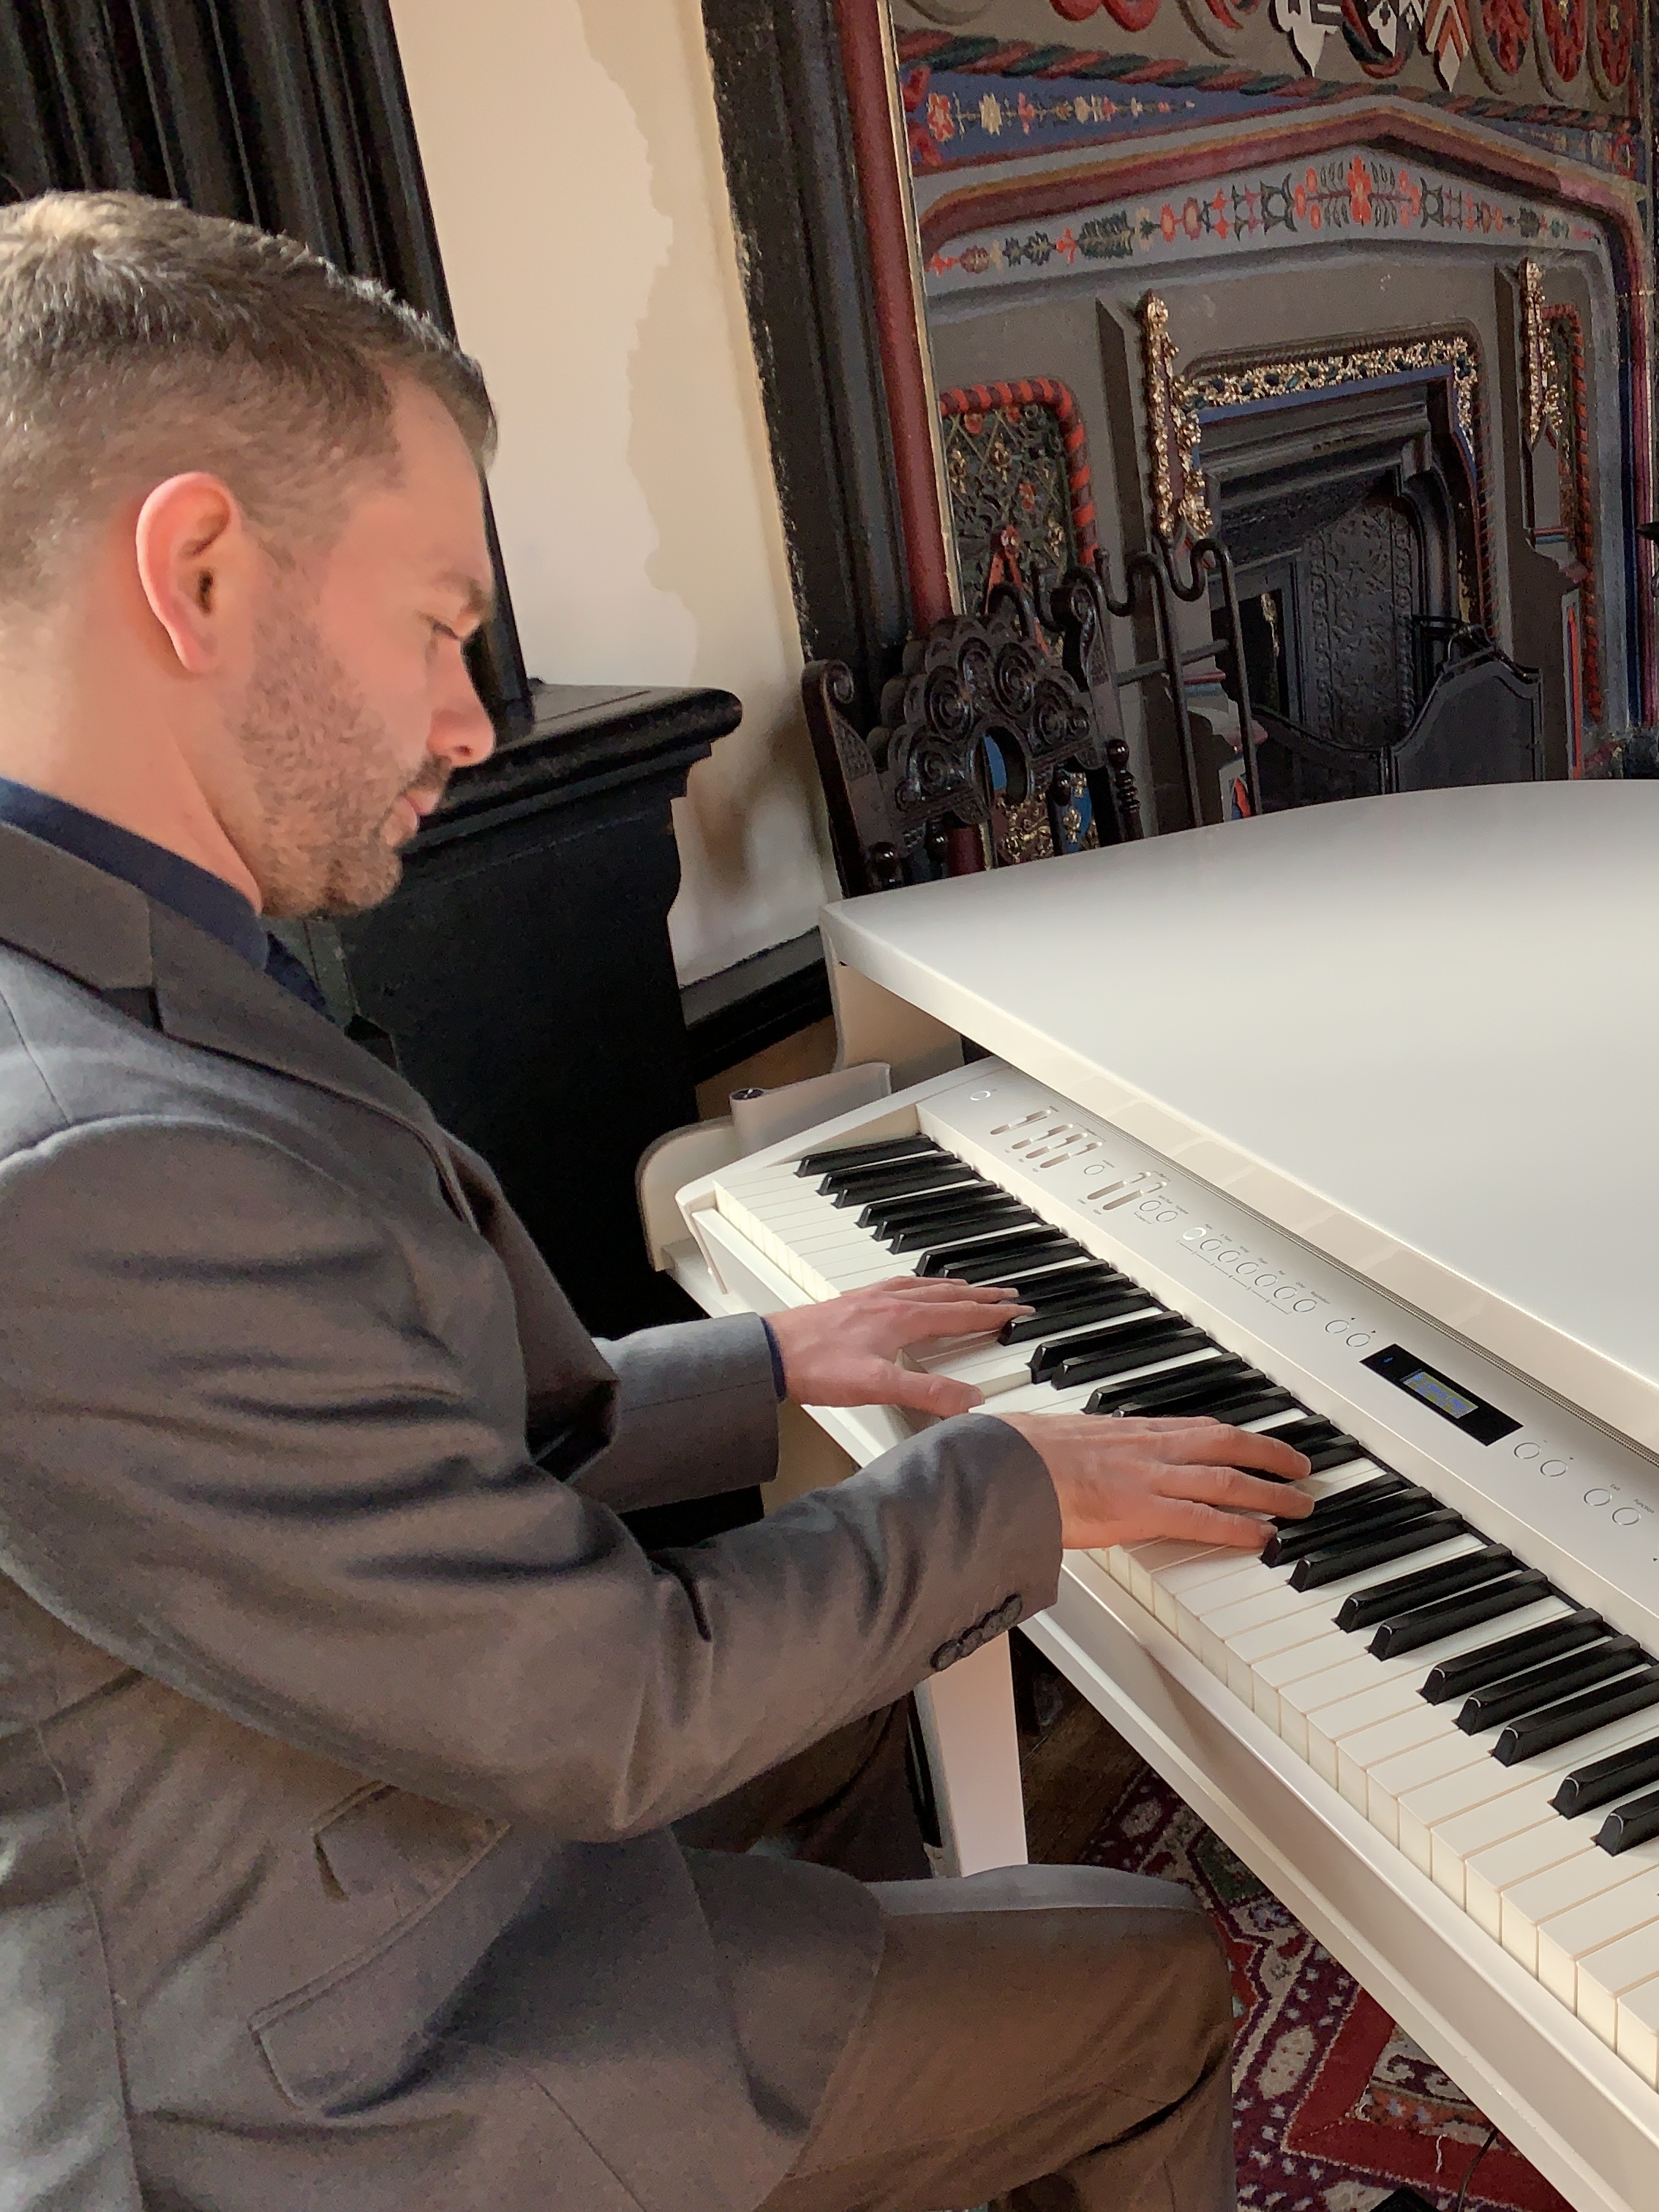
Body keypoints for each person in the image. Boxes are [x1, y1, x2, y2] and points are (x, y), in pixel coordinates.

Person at [0, 190, 1312, 2212]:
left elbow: (358, 1443)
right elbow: (612, 1707)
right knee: (1140, 1971)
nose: (464, 716)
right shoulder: (83, 1162)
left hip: (351, 1799)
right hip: (323, 2085)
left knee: (856, 1700)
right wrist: (1011, 1492)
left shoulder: (107, 960)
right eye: (441, 622)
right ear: (193, 570)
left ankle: (852, 2112)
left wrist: (768, 1356)